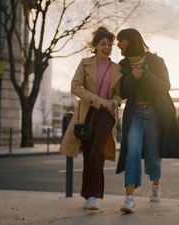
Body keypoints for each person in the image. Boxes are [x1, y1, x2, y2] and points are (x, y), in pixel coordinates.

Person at [115, 28, 179, 213]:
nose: (118, 44)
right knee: (133, 152)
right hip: (134, 114)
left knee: (153, 155)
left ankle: (155, 185)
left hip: (155, 113)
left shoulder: (155, 61)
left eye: (121, 40)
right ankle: (129, 198)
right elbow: (122, 93)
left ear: (131, 40)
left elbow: (165, 86)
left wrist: (146, 75)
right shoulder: (123, 65)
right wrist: (132, 77)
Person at [59, 27, 122, 210]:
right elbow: (75, 87)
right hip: (86, 113)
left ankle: (94, 195)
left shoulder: (117, 68)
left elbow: (120, 95)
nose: (107, 47)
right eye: (103, 43)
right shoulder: (85, 63)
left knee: (97, 152)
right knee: (88, 154)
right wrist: (97, 100)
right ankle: (88, 195)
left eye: (110, 44)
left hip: (106, 115)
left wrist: (114, 103)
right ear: (95, 45)